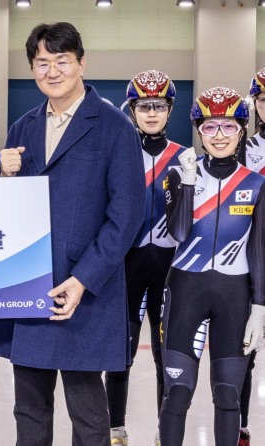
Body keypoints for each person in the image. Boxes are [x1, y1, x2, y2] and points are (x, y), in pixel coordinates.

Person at [0, 22, 145, 446]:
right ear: (32, 69)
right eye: (42, 63)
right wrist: (3, 178)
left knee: (89, 416)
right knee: (29, 413)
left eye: (62, 61)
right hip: (30, 288)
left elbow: (127, 215)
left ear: (81, 63)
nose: (52, 71)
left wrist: (83, 279)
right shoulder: (22, 128)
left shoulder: (115, 127)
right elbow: (7, 212)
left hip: (86, 292)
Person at [158, 86, 265, 446]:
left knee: (228, 395)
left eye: (228, 126)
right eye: (209, 127)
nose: (219, 135)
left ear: (242, 130)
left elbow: (259, 249)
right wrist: (188, 184)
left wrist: (260, 306)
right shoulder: (178, 174)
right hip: (185, 292)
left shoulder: (257, 183)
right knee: (176, 394)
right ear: (199, 131)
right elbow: (178, 233)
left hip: (234, 297)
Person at [105, 70, 187, 446]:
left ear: (170, 110)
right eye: (143, 106)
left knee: (164, 356)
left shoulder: (185, 158)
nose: (151, 113)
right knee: (120, 353)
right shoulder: (120, 154)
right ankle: (115, 428)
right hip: (128, 268)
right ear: (132, 110)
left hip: (170, 270)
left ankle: (163, 429)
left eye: (159, 105)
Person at [235, 66, 265, 446]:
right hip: (252, 257)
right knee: (246, 348)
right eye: (264, 99)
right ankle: (240, 426)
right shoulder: (245, 147)